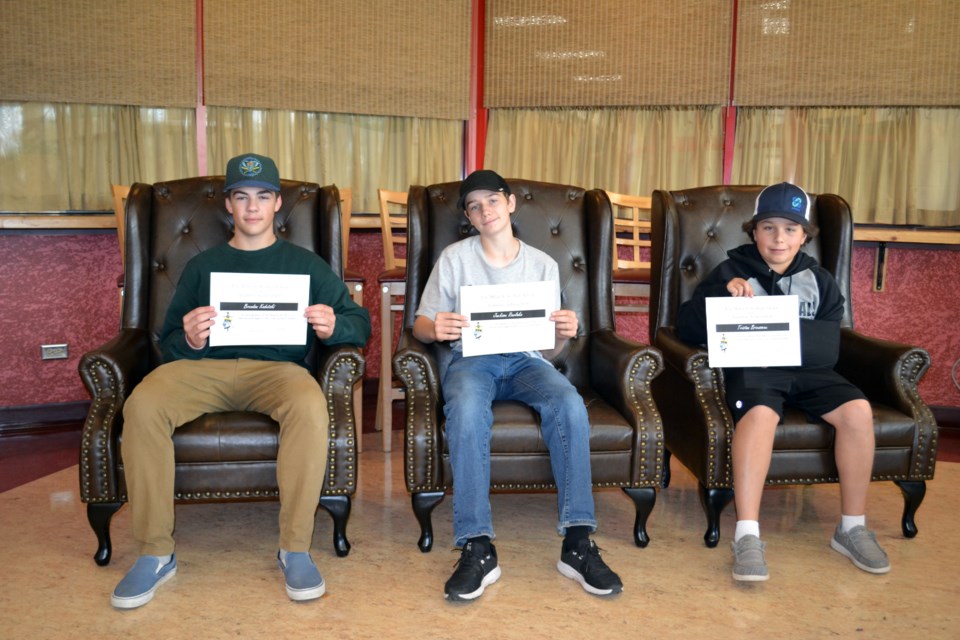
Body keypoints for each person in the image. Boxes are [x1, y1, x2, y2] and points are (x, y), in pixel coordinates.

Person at [110, 153, 371, 609]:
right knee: (143, 405)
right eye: (242, 197)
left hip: (277, 372)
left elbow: (360, 322)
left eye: (263, 196)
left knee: (311, 406)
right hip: (200, 371)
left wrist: (336, 326)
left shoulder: (304, 265)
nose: (252, 207)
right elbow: (168, 338)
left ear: (277, 205)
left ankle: (294, 547)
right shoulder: (201, 266)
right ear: (228, 206)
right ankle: (155, 551)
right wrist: (188, 338)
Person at [413, 169, 623, 602]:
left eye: (492, 200)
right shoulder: (454, 258)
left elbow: (548, 351)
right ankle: (478, 545)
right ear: (468, 217)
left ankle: (578, 542)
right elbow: (419, 323)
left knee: (569, 403)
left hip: (527, 361)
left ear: (510, 204)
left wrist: (564, 332)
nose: (484, 210)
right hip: (472, 359)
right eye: (474, 206)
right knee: (468, 409)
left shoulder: (542, 263)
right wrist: (436, 328)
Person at [675, 182, 890, 582]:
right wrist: (720, 299)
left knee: (858, 411)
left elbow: (829, 348)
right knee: (759, 416)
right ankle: (748, 534)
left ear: (804, 236)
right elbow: (686, 327)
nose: (779, 238)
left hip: (808, 368)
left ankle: (852, 526)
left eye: (791, 229)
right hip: (754, 369)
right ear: (753, 231)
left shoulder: (820, 280)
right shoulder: (729, 272)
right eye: (769, 227)